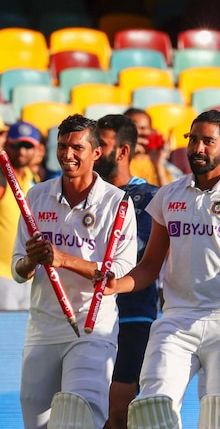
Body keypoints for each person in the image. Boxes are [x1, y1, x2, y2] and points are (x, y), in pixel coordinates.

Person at [103, 109, 220, 427]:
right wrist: (117, 284)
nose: (198, 148)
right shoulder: (168, 194)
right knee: (151, 408)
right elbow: (149, 266)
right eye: (193, 140)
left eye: (208, 141)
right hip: (177, 319)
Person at [12, 114, 138, 429]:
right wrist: (32, 260)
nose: (68, 155)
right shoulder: (37, 195)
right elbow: (18, 270)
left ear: (96, 153)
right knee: (36, 419)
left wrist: (63, 259)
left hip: (91, 328)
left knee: (79, 414)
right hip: (43, 326)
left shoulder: (116, 202)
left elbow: (118, 273)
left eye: (77, 147)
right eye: (63, 146)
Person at [94, 115, 160, 429]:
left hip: (131, 316)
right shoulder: (84, 195)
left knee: (119, 411)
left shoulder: (151, 198)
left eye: (100, 145)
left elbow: (139, 257)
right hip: (85, 316)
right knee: (80, 408)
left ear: (122, 152)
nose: (92, 151)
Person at [0, 119, 40, 311]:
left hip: (27, 271)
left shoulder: (33, 179)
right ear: (8, 144)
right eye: (17, 145)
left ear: (37, 149)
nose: (22, 151)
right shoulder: (1, 178)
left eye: (27, 145)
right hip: (2, 273)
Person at [122, 108, 172, 187]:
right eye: (133, 128)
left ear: (151, 131)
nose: (137, 132)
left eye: (143, 128)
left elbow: (169, 196)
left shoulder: (158, 161)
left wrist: (158, 166)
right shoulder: (115, 159)